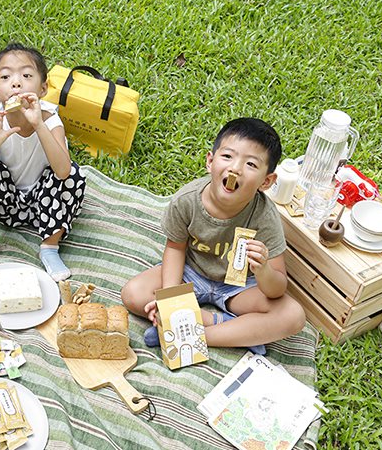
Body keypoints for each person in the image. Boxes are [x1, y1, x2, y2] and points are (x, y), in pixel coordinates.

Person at [121, 118, 305, 354]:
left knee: (293, 316)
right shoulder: (187, 201)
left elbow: (277, 288)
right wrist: (170, 300)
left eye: (250, 164)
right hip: (192, 273)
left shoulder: (265, 216)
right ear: (210, 161)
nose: (235, 168)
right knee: (134, 293)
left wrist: (263, 270)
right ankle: (234, 330)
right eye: (227, 157)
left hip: (239, 287)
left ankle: (196, 332)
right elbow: (176, 248)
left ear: (266, 181)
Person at [0, 43, 86, 281]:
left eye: (26, 75)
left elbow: (62, 171)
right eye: (6, 76)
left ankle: (49, 246)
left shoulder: (50, 119)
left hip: (44, 207)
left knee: (74, 175)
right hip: (6, 204)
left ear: (43, 88)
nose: (16, 83)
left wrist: (38, 125)